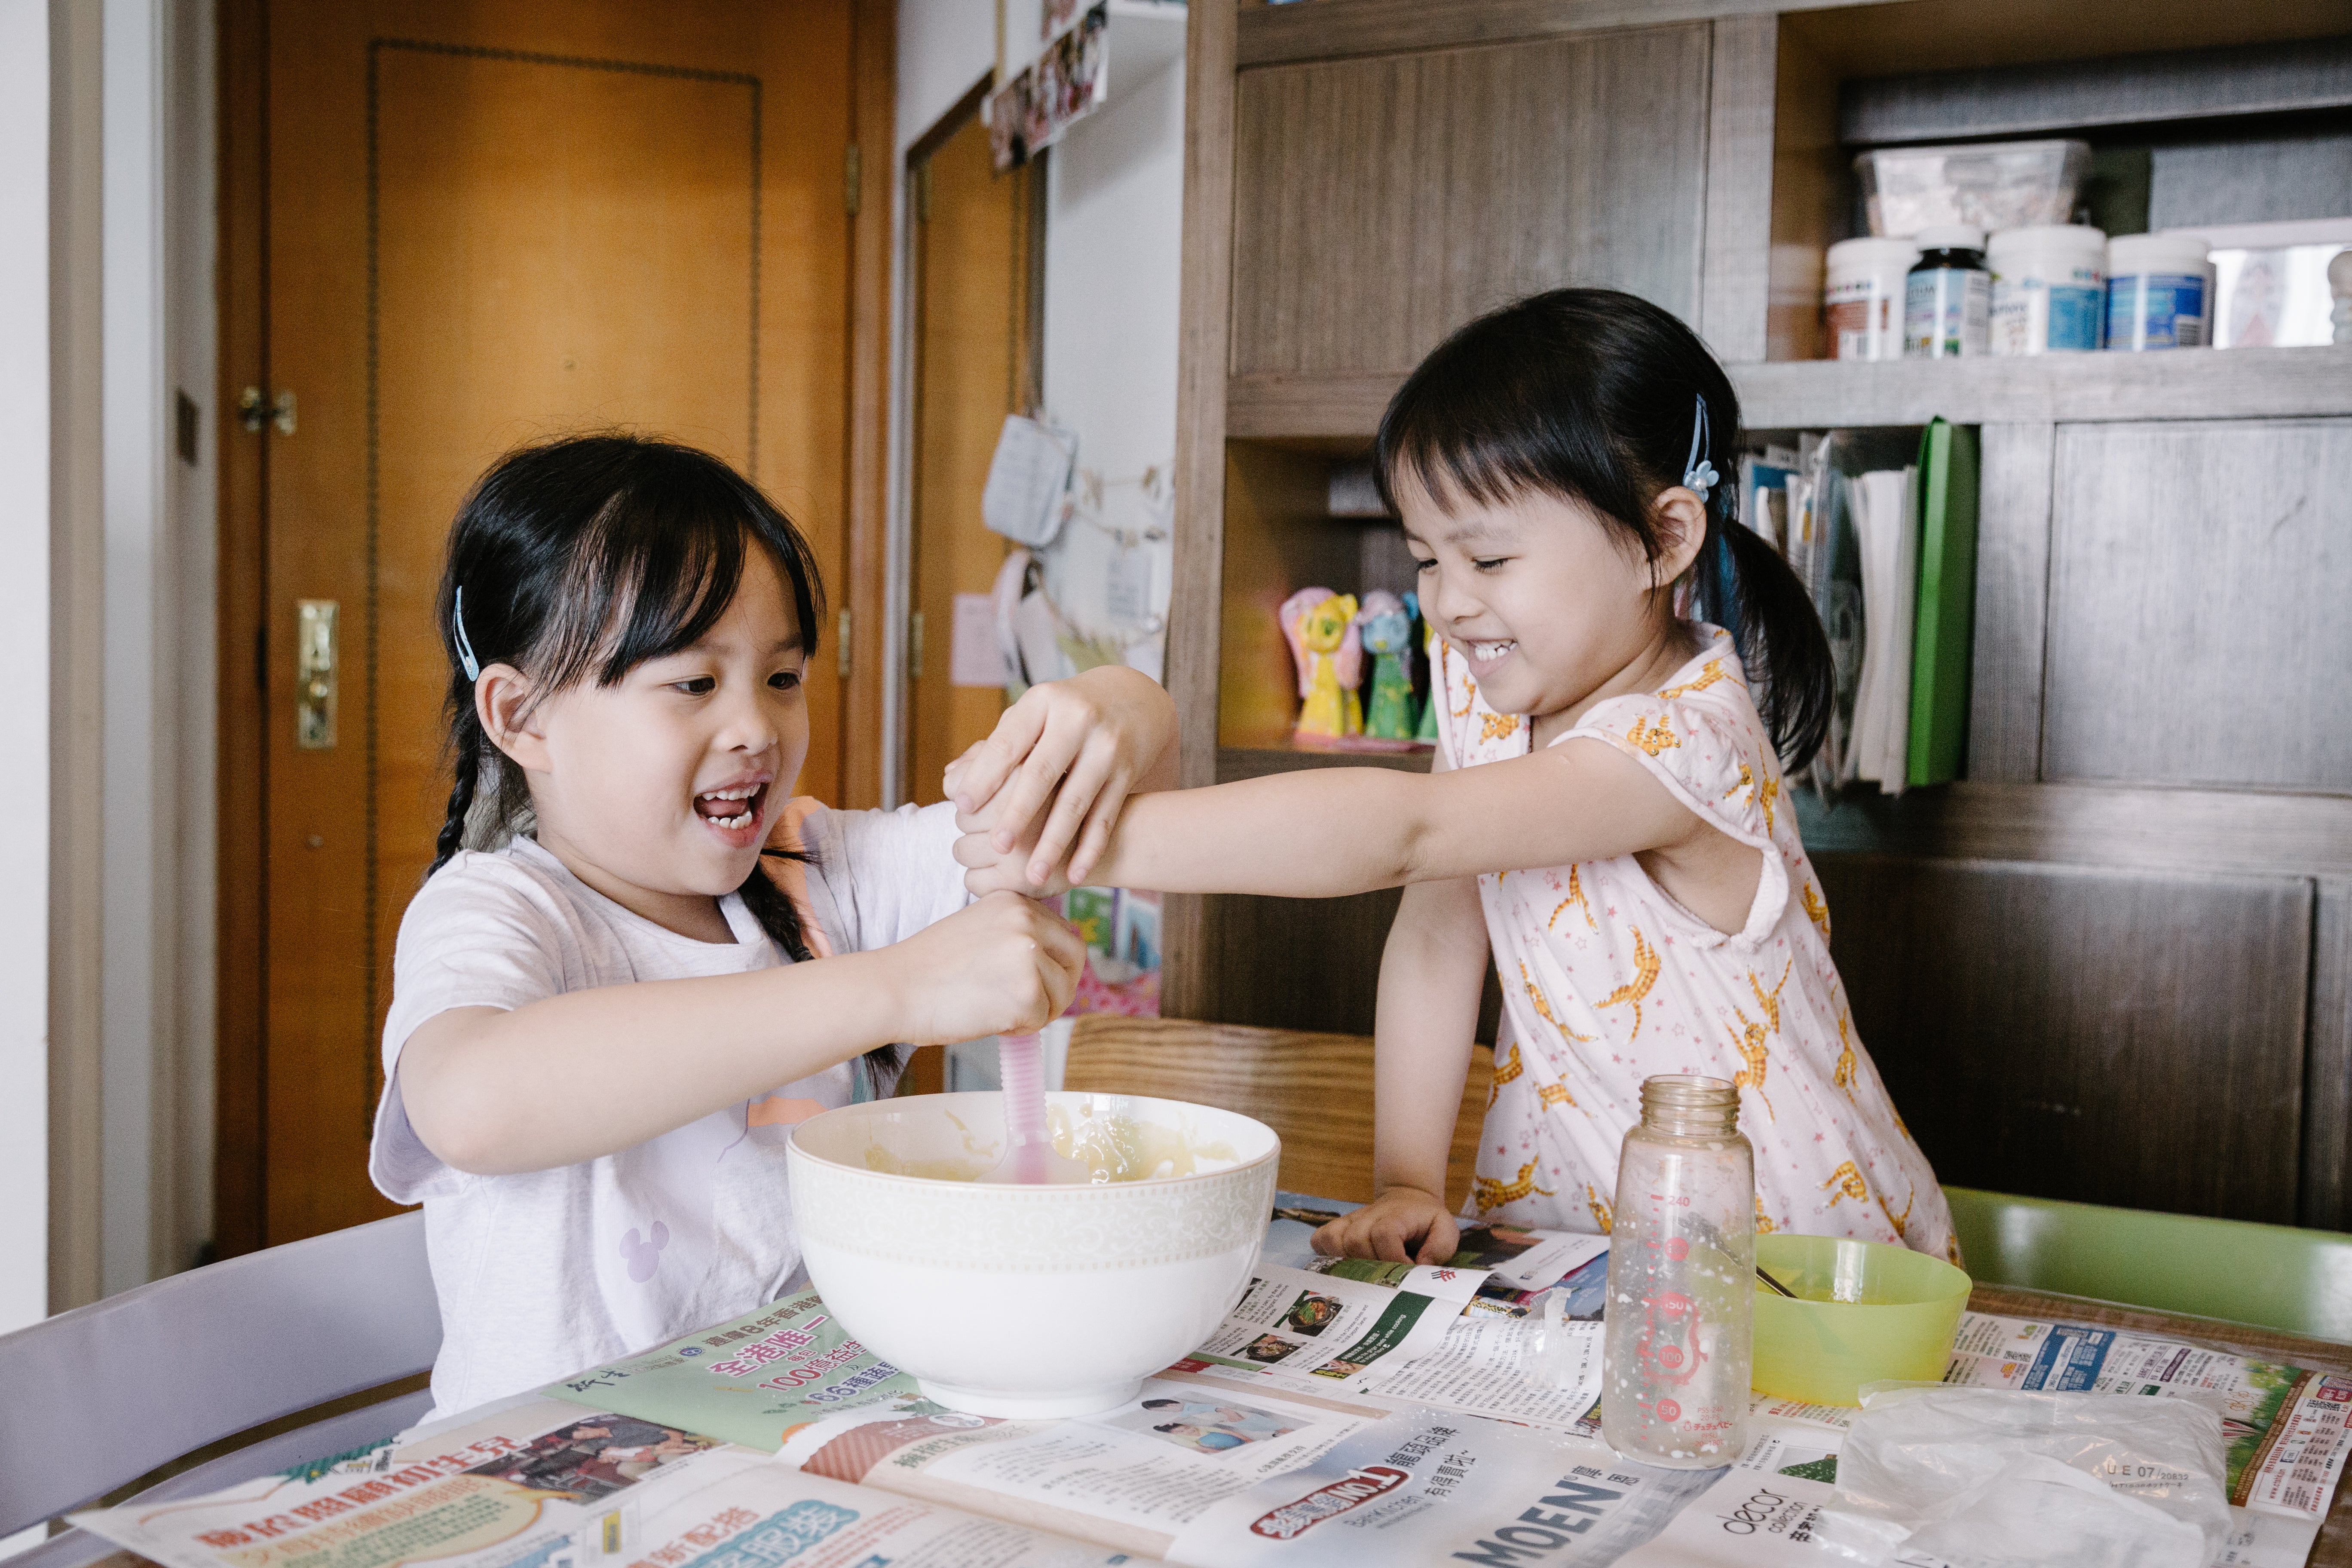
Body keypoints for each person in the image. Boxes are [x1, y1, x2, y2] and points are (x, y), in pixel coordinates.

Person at [952, 288, 1953, 1267]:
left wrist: (1078, 839)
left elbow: (1408, 833)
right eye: (1427, 559)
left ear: (1664, 540)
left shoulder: (1687, 745)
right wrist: (1408, 1183)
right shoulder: (1491, 698)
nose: (1449, 603)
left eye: (1490, 559)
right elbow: (1436, 936)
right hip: (1578, 1239)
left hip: (1782, 1253)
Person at [369, 435, 1176, 1418]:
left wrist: (1124, 706)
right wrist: (900, 988)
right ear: (522, 716)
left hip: (794, 1450)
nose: (757, 728)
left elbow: (1170, 819)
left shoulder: (818, 871)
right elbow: (473, 1106)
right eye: (695, 683)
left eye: (783, 678)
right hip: (551, 1476)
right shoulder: (500, 911)